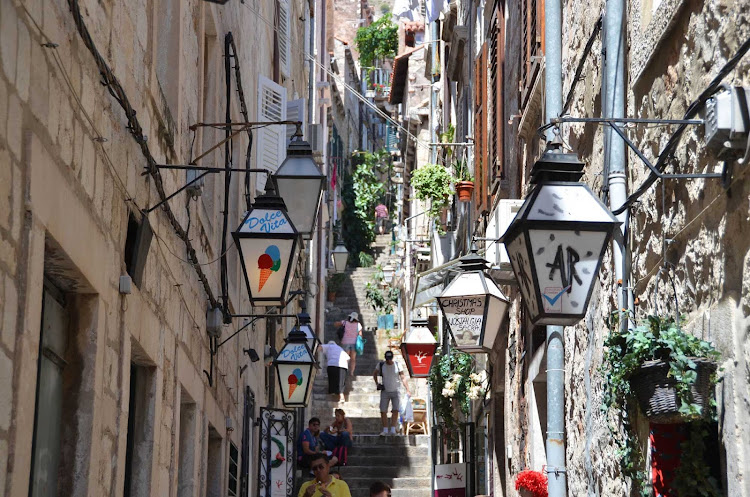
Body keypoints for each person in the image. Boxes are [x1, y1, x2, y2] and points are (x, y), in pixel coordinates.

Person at [373, 351, 411, 436]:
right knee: (383, 410)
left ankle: (393, 429)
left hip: (396, 390)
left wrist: (408, 389)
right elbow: (374, 373)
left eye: (390, 359)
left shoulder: (397, 365)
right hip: (385, 390)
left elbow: (403, 377)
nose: (388, 361)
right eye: (387, 359)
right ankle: (385, 429)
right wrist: (377, 383)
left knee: (395, 410)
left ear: (392, 358)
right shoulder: (381, 365)